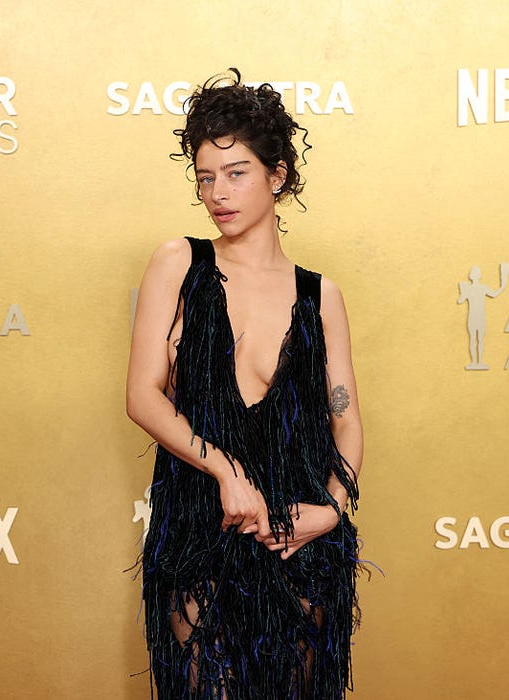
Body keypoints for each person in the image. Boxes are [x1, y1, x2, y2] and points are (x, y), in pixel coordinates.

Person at [126, 68, 364, 699]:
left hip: (300, 537)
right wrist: (227, 473)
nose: (217, 193)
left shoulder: (321, 296)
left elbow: (345, 418)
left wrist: (330, 511)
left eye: (236, 173)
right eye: (206, 176)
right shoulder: (180, 262)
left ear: (277, 175)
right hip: (201, 529)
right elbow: (143, 395)